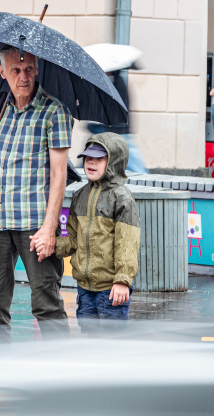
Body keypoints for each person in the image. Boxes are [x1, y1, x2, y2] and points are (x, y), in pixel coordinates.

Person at [0, 46, 72, 344]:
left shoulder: (54, 111)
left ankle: (64, 377)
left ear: (37, 69)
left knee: (46, 303)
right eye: (16, 70)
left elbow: (58, 175)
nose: (24, 76)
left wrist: (50, 228)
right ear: (2, 72)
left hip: (35, 223)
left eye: (29, 69)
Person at [57, 133, 139, 332]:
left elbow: (127, 244)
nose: (91, 162)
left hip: (112, 290)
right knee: (90, 338)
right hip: (85, 288)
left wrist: (122, 280)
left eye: (99, 158)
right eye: (88, 157)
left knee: (112, 343)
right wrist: (54, 244)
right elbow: (73, 238)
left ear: (114, 161)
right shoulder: (80, 195)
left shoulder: (122, 197)